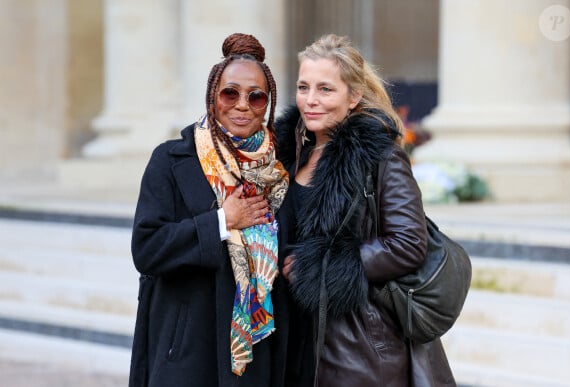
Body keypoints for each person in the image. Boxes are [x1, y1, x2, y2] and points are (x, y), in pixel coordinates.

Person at [275, 34, 455, 386]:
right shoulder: (286, 153)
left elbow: (407, 243)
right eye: (303, 86)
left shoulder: (381, 157)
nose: (310, 100)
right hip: (290, 335)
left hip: (354, 346)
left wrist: (323, 267)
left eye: (326, 89)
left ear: (353, 96)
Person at [129, 33, 290, 387]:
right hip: (187, 352)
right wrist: (222, 221)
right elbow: (147, 247)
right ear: (212, 97)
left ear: (268, 104)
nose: (242, 105)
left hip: (256, 353)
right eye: (230, 93)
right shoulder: (171, 159)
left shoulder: (278, 172)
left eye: (256, 96)